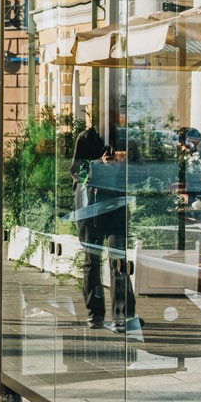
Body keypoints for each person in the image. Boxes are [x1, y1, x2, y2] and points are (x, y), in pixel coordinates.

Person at [70, 125, 138, 331]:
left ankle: (123, 316)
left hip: (117, 207)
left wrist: (122, 162)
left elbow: (139, 171)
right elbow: (76, 173)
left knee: (119, 262)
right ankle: (95, 315)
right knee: (92, 261)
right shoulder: (87, 138)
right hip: (90, 208)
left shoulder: (125, 138)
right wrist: (99, 164)